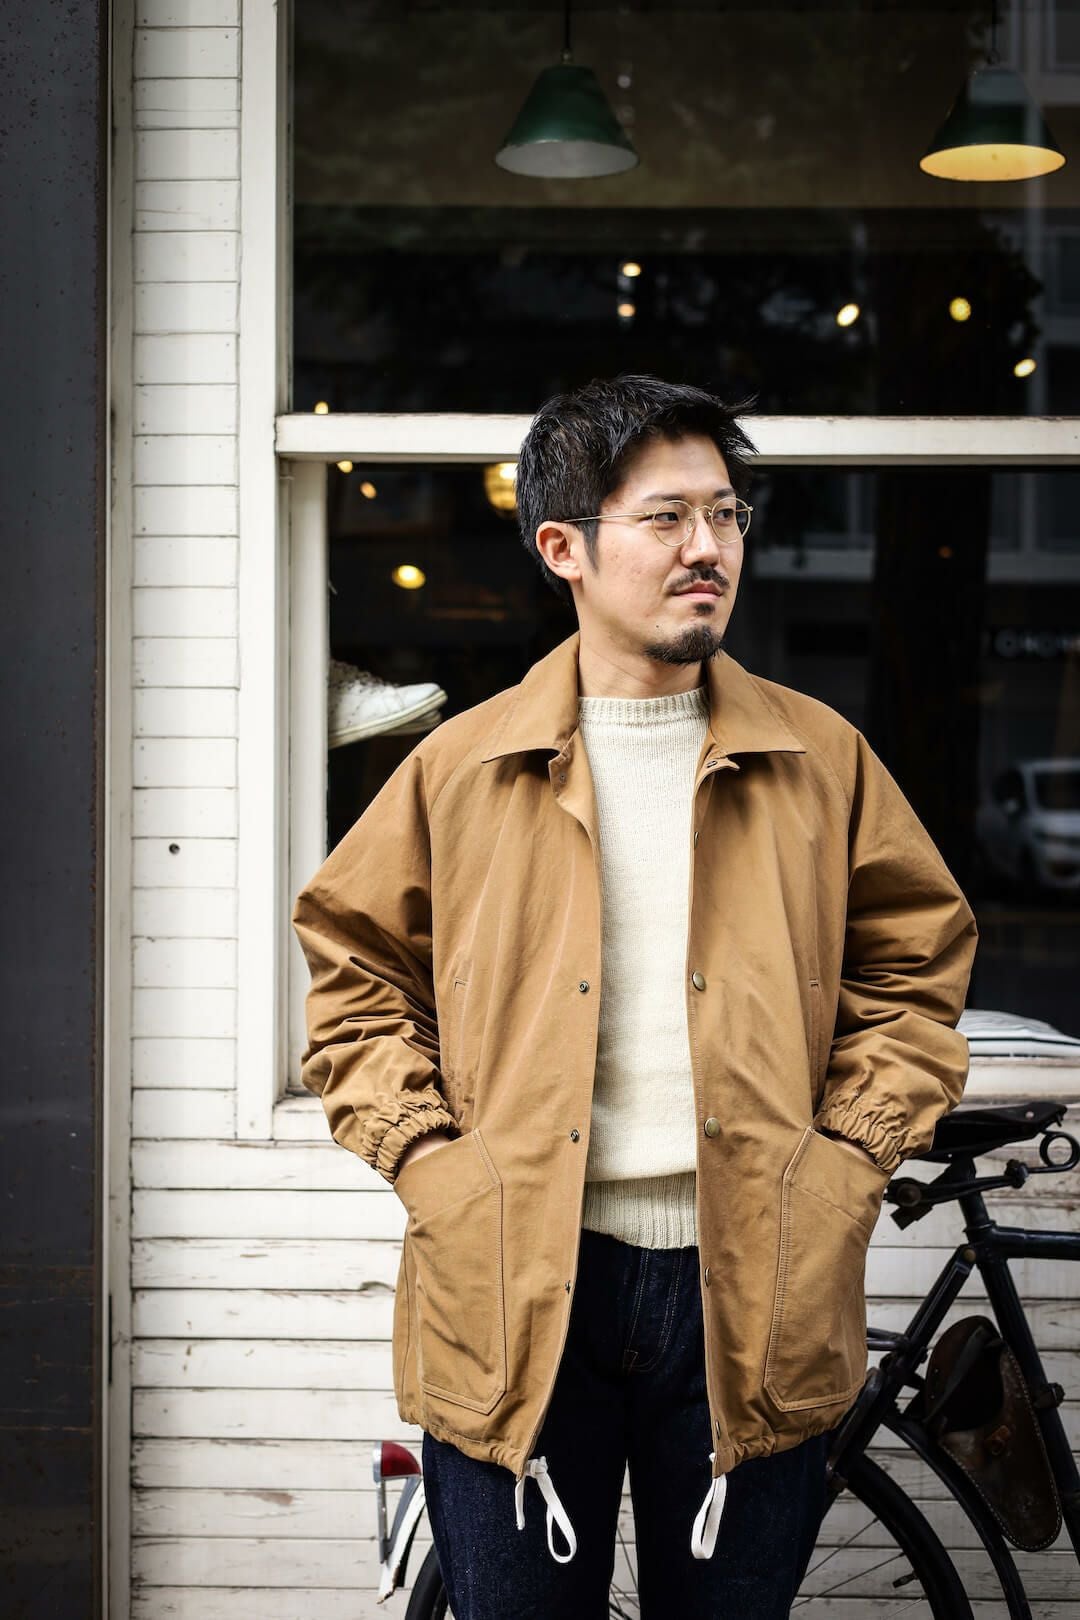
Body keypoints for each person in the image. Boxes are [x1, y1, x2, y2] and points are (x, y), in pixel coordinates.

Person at [292, 374, 979, 1619]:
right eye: (666, 518)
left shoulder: (822, 760)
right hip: (513, 1285)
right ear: (564, 547)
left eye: (725, 514)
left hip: (756, 1283)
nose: (707, 546)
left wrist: (843, 1164)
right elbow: (354, 976)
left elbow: (915, 970)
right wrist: (434, 1164)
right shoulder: (461, 767)